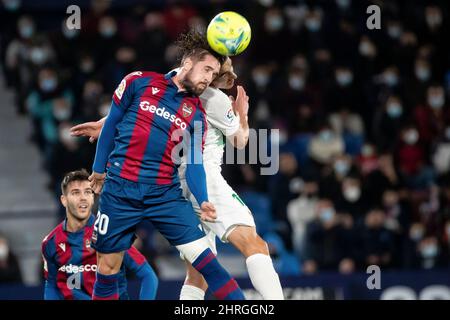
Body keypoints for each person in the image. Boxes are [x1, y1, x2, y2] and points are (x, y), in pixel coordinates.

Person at [71, 57, 284, 300]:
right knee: (255, 245)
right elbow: (240, 141)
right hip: (202, 180)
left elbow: (146, 109)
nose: (231, 78)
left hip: (172, 181)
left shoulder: (171, 79)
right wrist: (243, 116)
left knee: (197, 274)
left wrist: (105, 122)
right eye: (218, 71)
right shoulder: (216, 100)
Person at [86, 30, 245, 300]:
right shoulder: (138, 82)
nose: (208, 78)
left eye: (213, 73)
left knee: (208, 265)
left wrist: (203, 199)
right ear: (187, 63)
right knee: (108, 267)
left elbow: (194, 163)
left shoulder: (196, 114)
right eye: (206, 69)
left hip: (164, 194)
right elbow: (111, 124)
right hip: (120, 190)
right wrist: (98, 170)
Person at [41, 169, 158, 300]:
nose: (83, 198)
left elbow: (148, 276)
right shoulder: (50, 242)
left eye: (88, 192)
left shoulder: (111, 233)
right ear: (64, 200)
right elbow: (51, 285)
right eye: (75, 193)